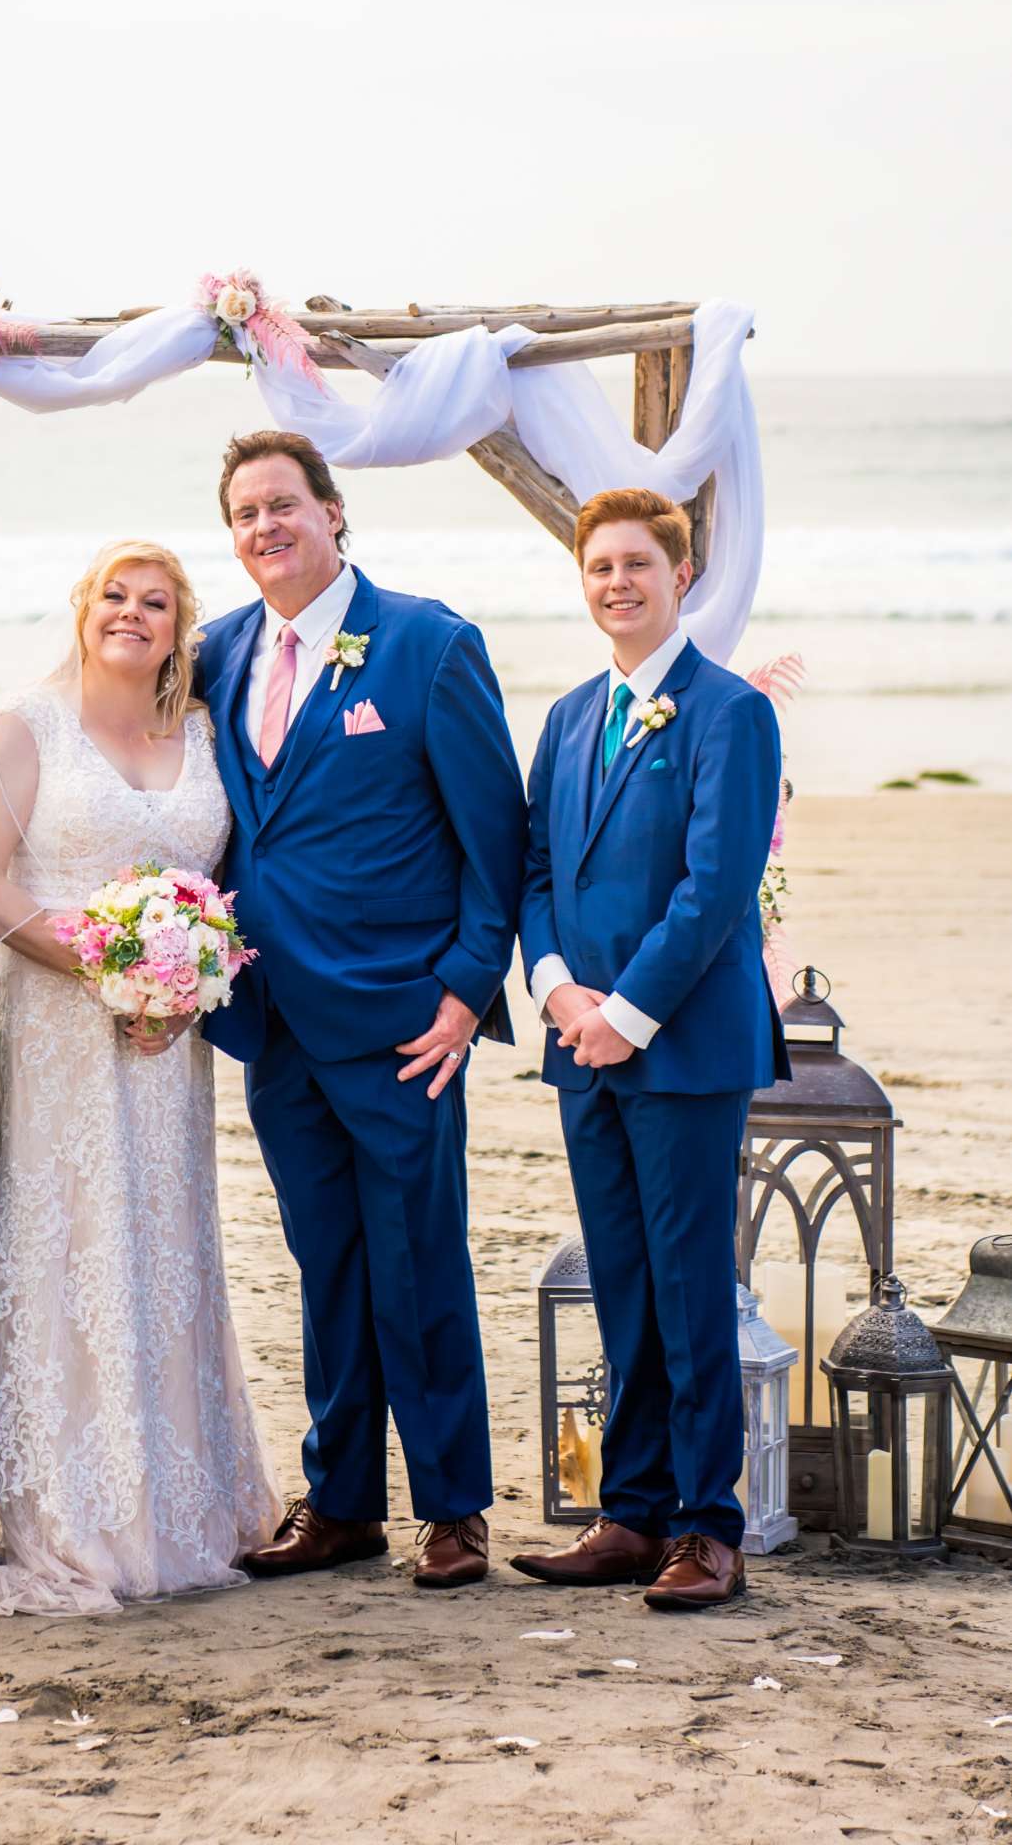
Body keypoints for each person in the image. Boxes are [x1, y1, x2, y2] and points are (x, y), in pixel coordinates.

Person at [196, 432, 527, 1590]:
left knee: (419, 1259)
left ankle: (452, 1508)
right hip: (273, 1017)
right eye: (244, 514)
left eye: (283, 505)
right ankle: (341, 1502)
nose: (264, 528)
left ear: (334, 514)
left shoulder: (429, 644)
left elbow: (498, 841)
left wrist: (465, 994)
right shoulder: (217, 653)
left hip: (402, 1022)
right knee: (323, 1263)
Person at [0, 539, 281, 1614]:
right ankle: (79, 1516)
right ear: (81, 605)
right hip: (60, 1033)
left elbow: (218, 885)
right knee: (76, 1245)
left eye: (155, 602)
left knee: (166, 1243)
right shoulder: (26, 727)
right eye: (114, 595)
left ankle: (177, 1506)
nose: (131, 614)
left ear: (179, 629)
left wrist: (182, 984)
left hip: (164, 1046)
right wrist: (109, 966)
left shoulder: (198, 733)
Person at [511, 486, 789, 1611]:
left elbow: (716, 886)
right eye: (598, 567)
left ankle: (707, 1526)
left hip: (678, 1048)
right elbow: (533, 870)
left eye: (637, 564)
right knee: (621, 1281)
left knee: (689, 1284)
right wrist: (558, 989)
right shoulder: (571, 715)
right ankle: (629, 1514)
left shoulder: (727, 712)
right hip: (581, 1044)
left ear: (681, 576)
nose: (616, 582)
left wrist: (626, 1015)